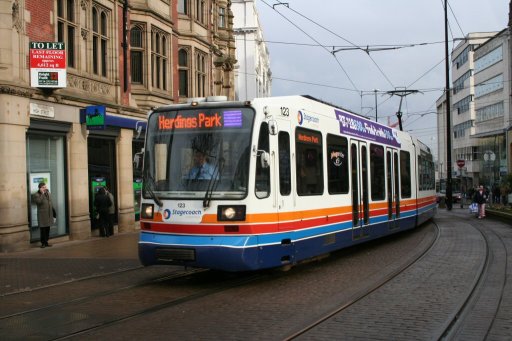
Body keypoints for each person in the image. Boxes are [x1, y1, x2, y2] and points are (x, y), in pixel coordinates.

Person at [32, 182, 54, 248]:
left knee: (48, 229)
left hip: (49, 214)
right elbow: (38, 202)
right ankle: (43, 243)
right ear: (40, 188)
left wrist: (53, 213)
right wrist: (42, 194)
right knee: (43, 230)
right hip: (42, 215)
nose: (45, 188)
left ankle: (46, 242)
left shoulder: (48, 193)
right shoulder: (36, 195)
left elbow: (50, 203)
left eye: (45, 187)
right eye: (43, 187)